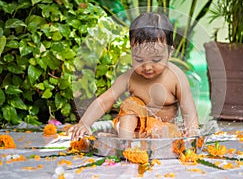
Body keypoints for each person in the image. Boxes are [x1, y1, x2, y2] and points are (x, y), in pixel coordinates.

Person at [69, 12, 199, 140]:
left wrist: (192, 129)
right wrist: (84, 123)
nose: (147, 67)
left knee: (169, 132)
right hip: (132, 128)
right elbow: (105, 100)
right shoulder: (130, 77)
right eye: (139, 60)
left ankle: (126, 138)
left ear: (170, 52)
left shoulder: (176, 77)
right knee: (131, 106)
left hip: (162, 131)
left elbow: (188, 109)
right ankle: (125, 142)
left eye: (156, 60)